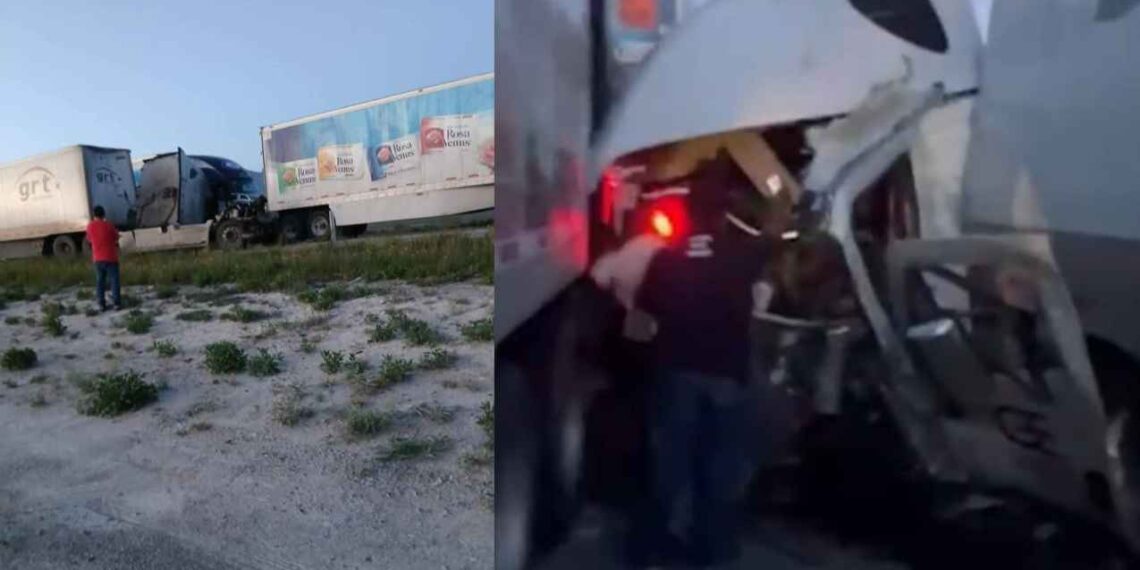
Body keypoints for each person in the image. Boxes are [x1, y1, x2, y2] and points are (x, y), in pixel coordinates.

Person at [591, 149, 779, 568]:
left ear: (688, 214)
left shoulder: (665, 260)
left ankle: (646, 551)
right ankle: (711, 552)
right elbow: (775, 249)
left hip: (676, 373)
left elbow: (645, 314)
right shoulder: (744, 255)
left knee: (667, 468)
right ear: (721, 214)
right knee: (719, 470)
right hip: (727, 376)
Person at [85, 205, 122, 312]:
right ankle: (116, 303)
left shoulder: (90, 226)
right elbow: (116, 237)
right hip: (111, 257)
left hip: (98, 258)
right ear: (103, 214)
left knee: (100, 281)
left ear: (94, 215)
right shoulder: (109, 225)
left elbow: (89, 239)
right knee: (114, 281)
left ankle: (101, 303)